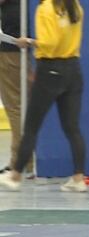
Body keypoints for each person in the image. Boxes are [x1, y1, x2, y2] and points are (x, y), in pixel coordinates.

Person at [0, 0, 86, 192]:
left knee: (31, 126)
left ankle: (15, 175)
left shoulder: (45, 8)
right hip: (73, 69)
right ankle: (79, 178)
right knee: (72, 127)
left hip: (50, 70)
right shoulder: (75, 7)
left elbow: (49, 43)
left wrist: (28, 42)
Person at [0, 0, 34, 178]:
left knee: (15, 108)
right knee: (25, 107)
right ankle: (26, 162)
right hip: (27, 53)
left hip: (11, 53)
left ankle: (19, 163)